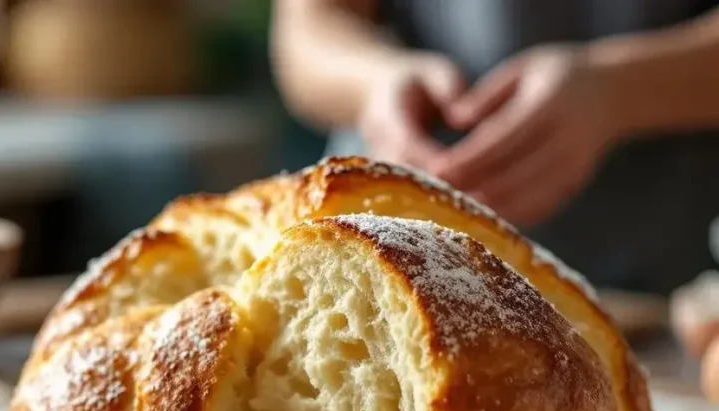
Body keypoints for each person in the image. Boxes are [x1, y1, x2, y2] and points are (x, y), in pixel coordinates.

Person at [271, 0, 719, 295]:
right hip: (380, 279)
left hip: (671, 285)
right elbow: (307, 31)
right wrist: (375, 82)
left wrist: (618, 91)